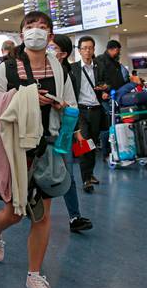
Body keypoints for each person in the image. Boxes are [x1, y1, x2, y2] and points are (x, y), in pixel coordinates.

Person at [0, 11, 77, 288]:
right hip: (15, 149)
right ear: (21, 34)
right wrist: (23, 97)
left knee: (42, 215)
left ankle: (34, 273)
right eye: (30, 26)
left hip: (46, 148)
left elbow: (71, 104)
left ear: (50, 36)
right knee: (15, 213)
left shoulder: (58, 69)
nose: (36, 31)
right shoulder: (7, 69)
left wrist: (62, 106)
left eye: (42, 27)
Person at [48, 35, 93, 231]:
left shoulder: (68, 75)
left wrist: (76, 132)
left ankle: (75, 217)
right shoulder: (38, 71)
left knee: (68, 175)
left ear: (63, 54)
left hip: (63, 131)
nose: (48, 50)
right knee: (37, 174)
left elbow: (73, 106)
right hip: (41, 132)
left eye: (53, 47)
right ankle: (30, 211)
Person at [70, 36, 107, 193]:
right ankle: (86, 180)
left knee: (93, 145)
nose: (87, 51)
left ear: (93, 50)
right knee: (83, 144)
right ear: (79, 50)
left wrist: (105, 89)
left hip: (96, 110)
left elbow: (107, 83)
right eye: (84, 48)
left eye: (90, 48)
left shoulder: (100, 67)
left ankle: (90, 174)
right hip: (81, 111)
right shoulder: (73, 68)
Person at [95, 40, 127, 161]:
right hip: (105, 97)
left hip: (116, 96)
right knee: (107, 124)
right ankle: (107, 152)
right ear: (112, 49)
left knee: (115, 123)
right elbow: (98, 78)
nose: (118, 53)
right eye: (117, 50)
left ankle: (116, 150)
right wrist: (102, 92)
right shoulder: (100, 60)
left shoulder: (115, 62)